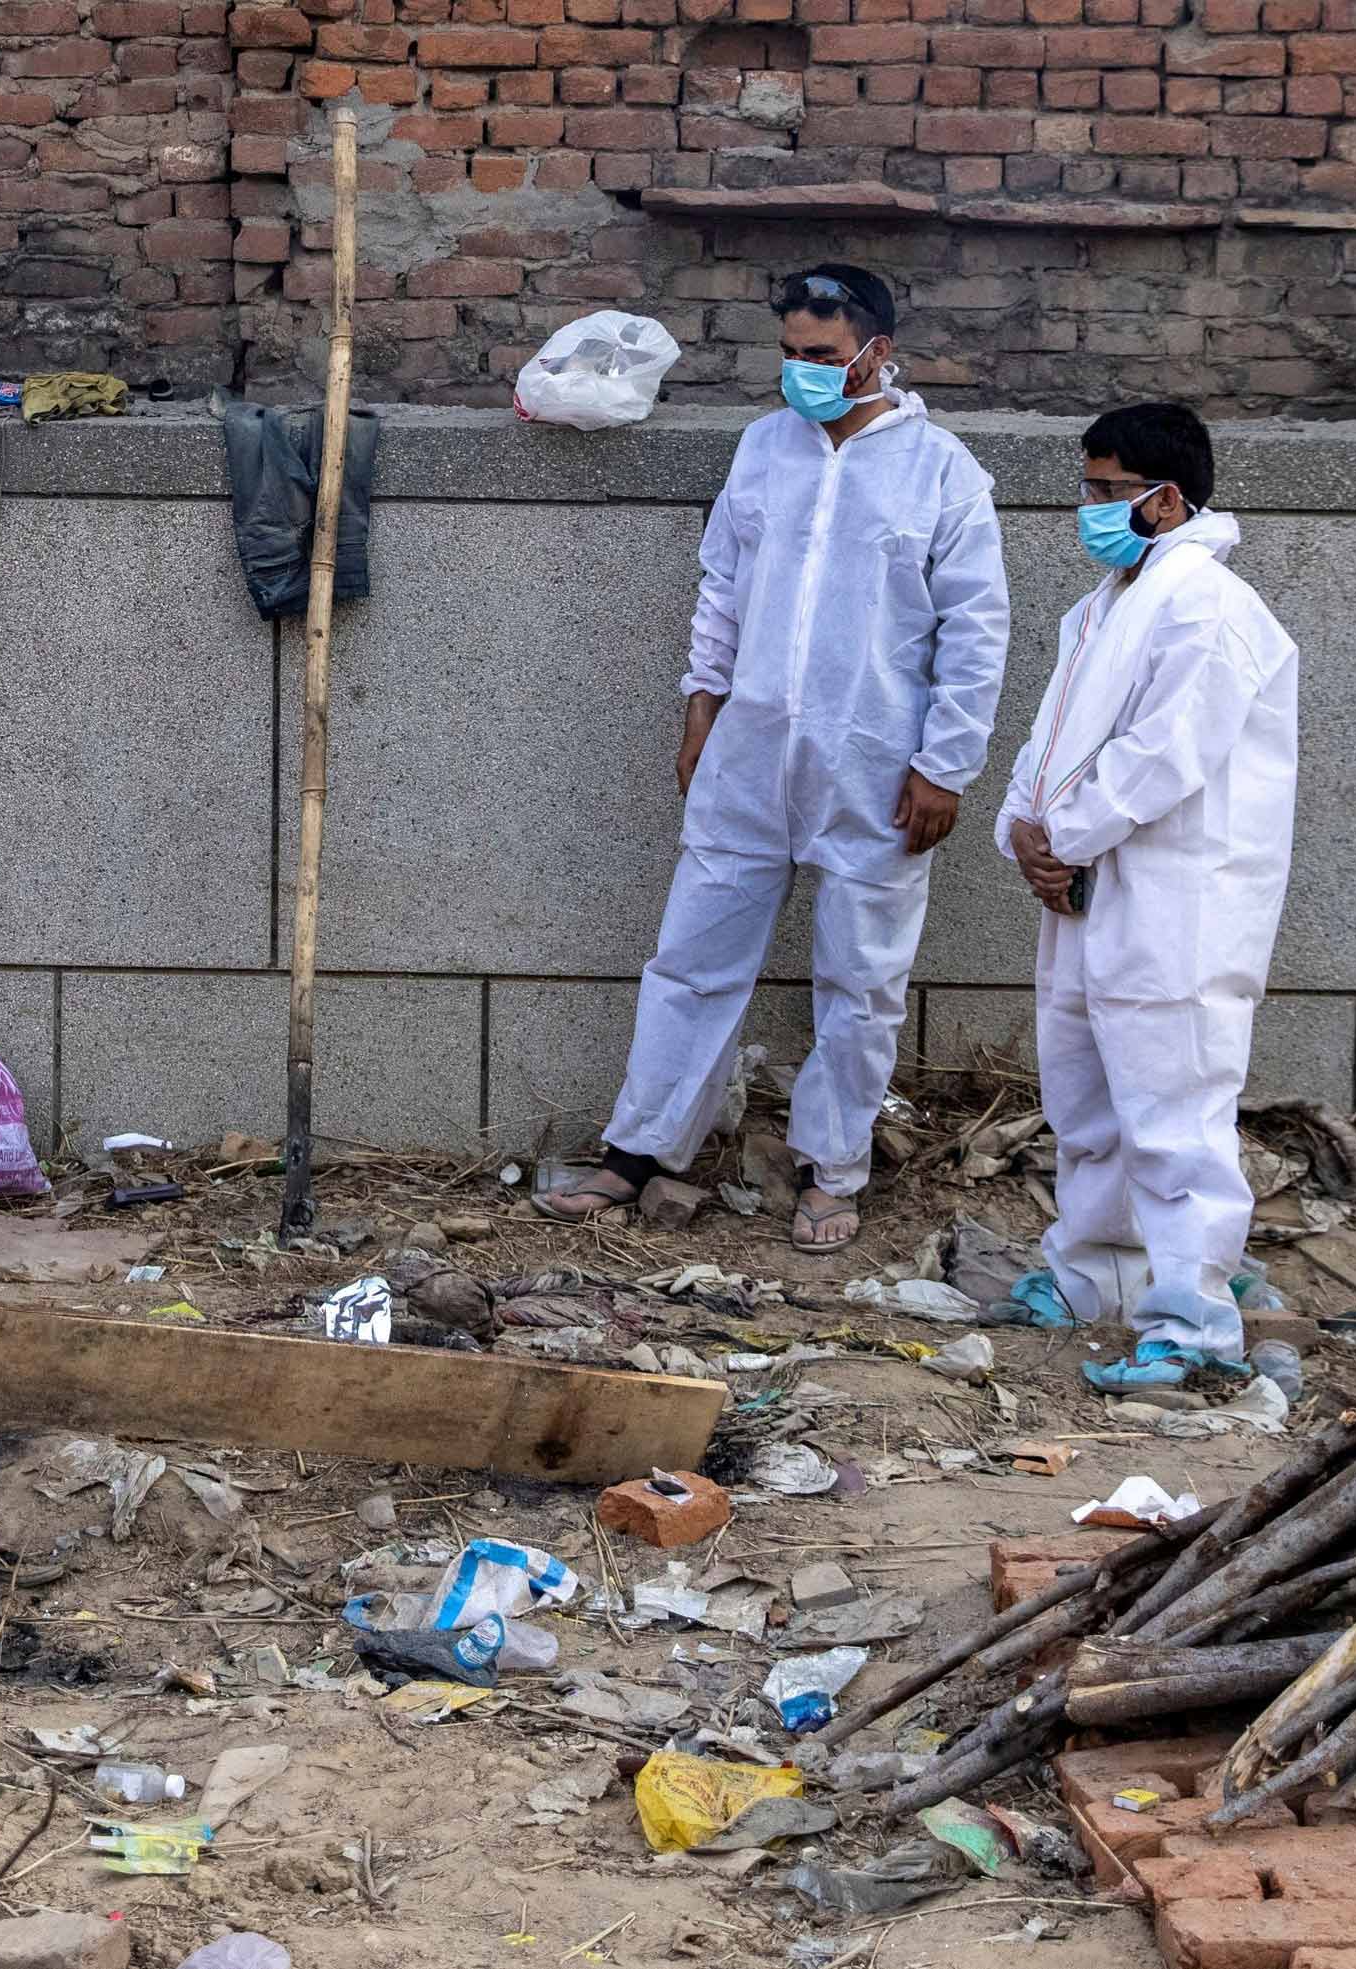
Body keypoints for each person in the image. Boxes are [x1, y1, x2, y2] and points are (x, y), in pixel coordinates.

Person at [535, 265, 1010, 1253]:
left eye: (822, 357)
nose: (801, 373)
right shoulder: (762, 450)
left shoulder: (939, 471)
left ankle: (832, 1171)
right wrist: (698, 711)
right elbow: (720, 587)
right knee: (691, 955)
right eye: (789, 354)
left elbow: (974, 629)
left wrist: (945, 765)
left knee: (859, 977)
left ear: (875, 352)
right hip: (748, 753)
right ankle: (638, 1150)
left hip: (876, 765)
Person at [991, 402, 1299, 1389]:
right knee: (1085, 1095)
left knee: (1172, 1111)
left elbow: (1161, 755)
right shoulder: (1102, 607)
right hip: (1087, 888)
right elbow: (1048, 747)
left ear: (1164, 501)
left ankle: (1193, 1318)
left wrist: (1061, 837)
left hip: (1175, 897)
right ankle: (1095, 1277)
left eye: (1104, 491)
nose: (1085, 508)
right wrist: (1023, 833)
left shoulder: (1207, 607)